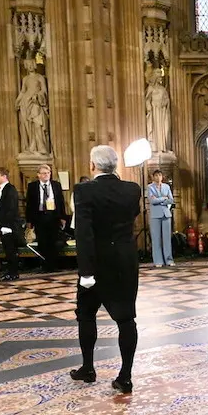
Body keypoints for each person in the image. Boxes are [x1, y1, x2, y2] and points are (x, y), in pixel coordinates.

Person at [69, 145, 142, 394]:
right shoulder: (132, 190)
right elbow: (133, 214)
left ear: (93, 165)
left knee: (86, 314)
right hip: (124, 261)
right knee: (126, 319)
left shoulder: (84, 191)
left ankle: (88, 368)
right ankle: (125, 376)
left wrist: (86, 272)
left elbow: (84, 234)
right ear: (115, 165)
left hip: (96, 263)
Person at [26, 164, 66, 272]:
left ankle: (53, 265)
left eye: (48, 173)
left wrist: (63, 217)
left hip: (53, 216)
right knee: (42, 241)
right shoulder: (32, 186)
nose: (46, 175)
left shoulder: (56, 185)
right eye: (44, 173)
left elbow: (61, 202)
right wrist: (29, 220)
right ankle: (45, 265)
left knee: (53, 241)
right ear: (38, 175)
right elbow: (29, 204)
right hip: (39, 216)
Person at [0, 167, 23, 282]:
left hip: (8, 226)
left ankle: (13, 273)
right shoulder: (2, 189)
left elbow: (11, 209)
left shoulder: (10, 189)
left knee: (11, 250)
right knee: (7, 250)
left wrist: (6, 225)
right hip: (3, 226)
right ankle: (9, 272)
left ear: (4, 176)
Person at [148, 169, 175, 268]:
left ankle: (169, 259)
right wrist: (164, 198)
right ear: (153, 177)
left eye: (160, 175)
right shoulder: (150, 187)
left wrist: (162, 200)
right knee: (156, 238)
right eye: (156, 175)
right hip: (155, 215)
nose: (158, 177)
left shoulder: (166, 186)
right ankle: (158, 260)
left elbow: (171, 200)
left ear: (162, 176)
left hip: (166, 214)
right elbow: (152, 200)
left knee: (167, 238)